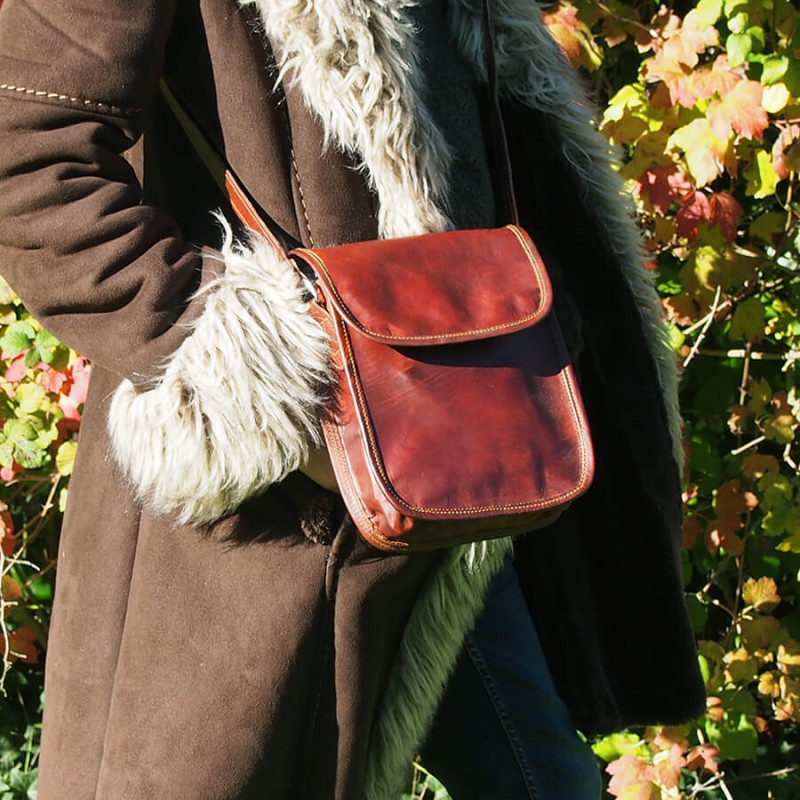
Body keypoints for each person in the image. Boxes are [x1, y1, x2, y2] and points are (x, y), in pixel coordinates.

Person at [0, 0, 706, 797]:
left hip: (467, 466)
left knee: (549, 778)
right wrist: (273, 398)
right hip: (274, 513)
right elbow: (26, 157)